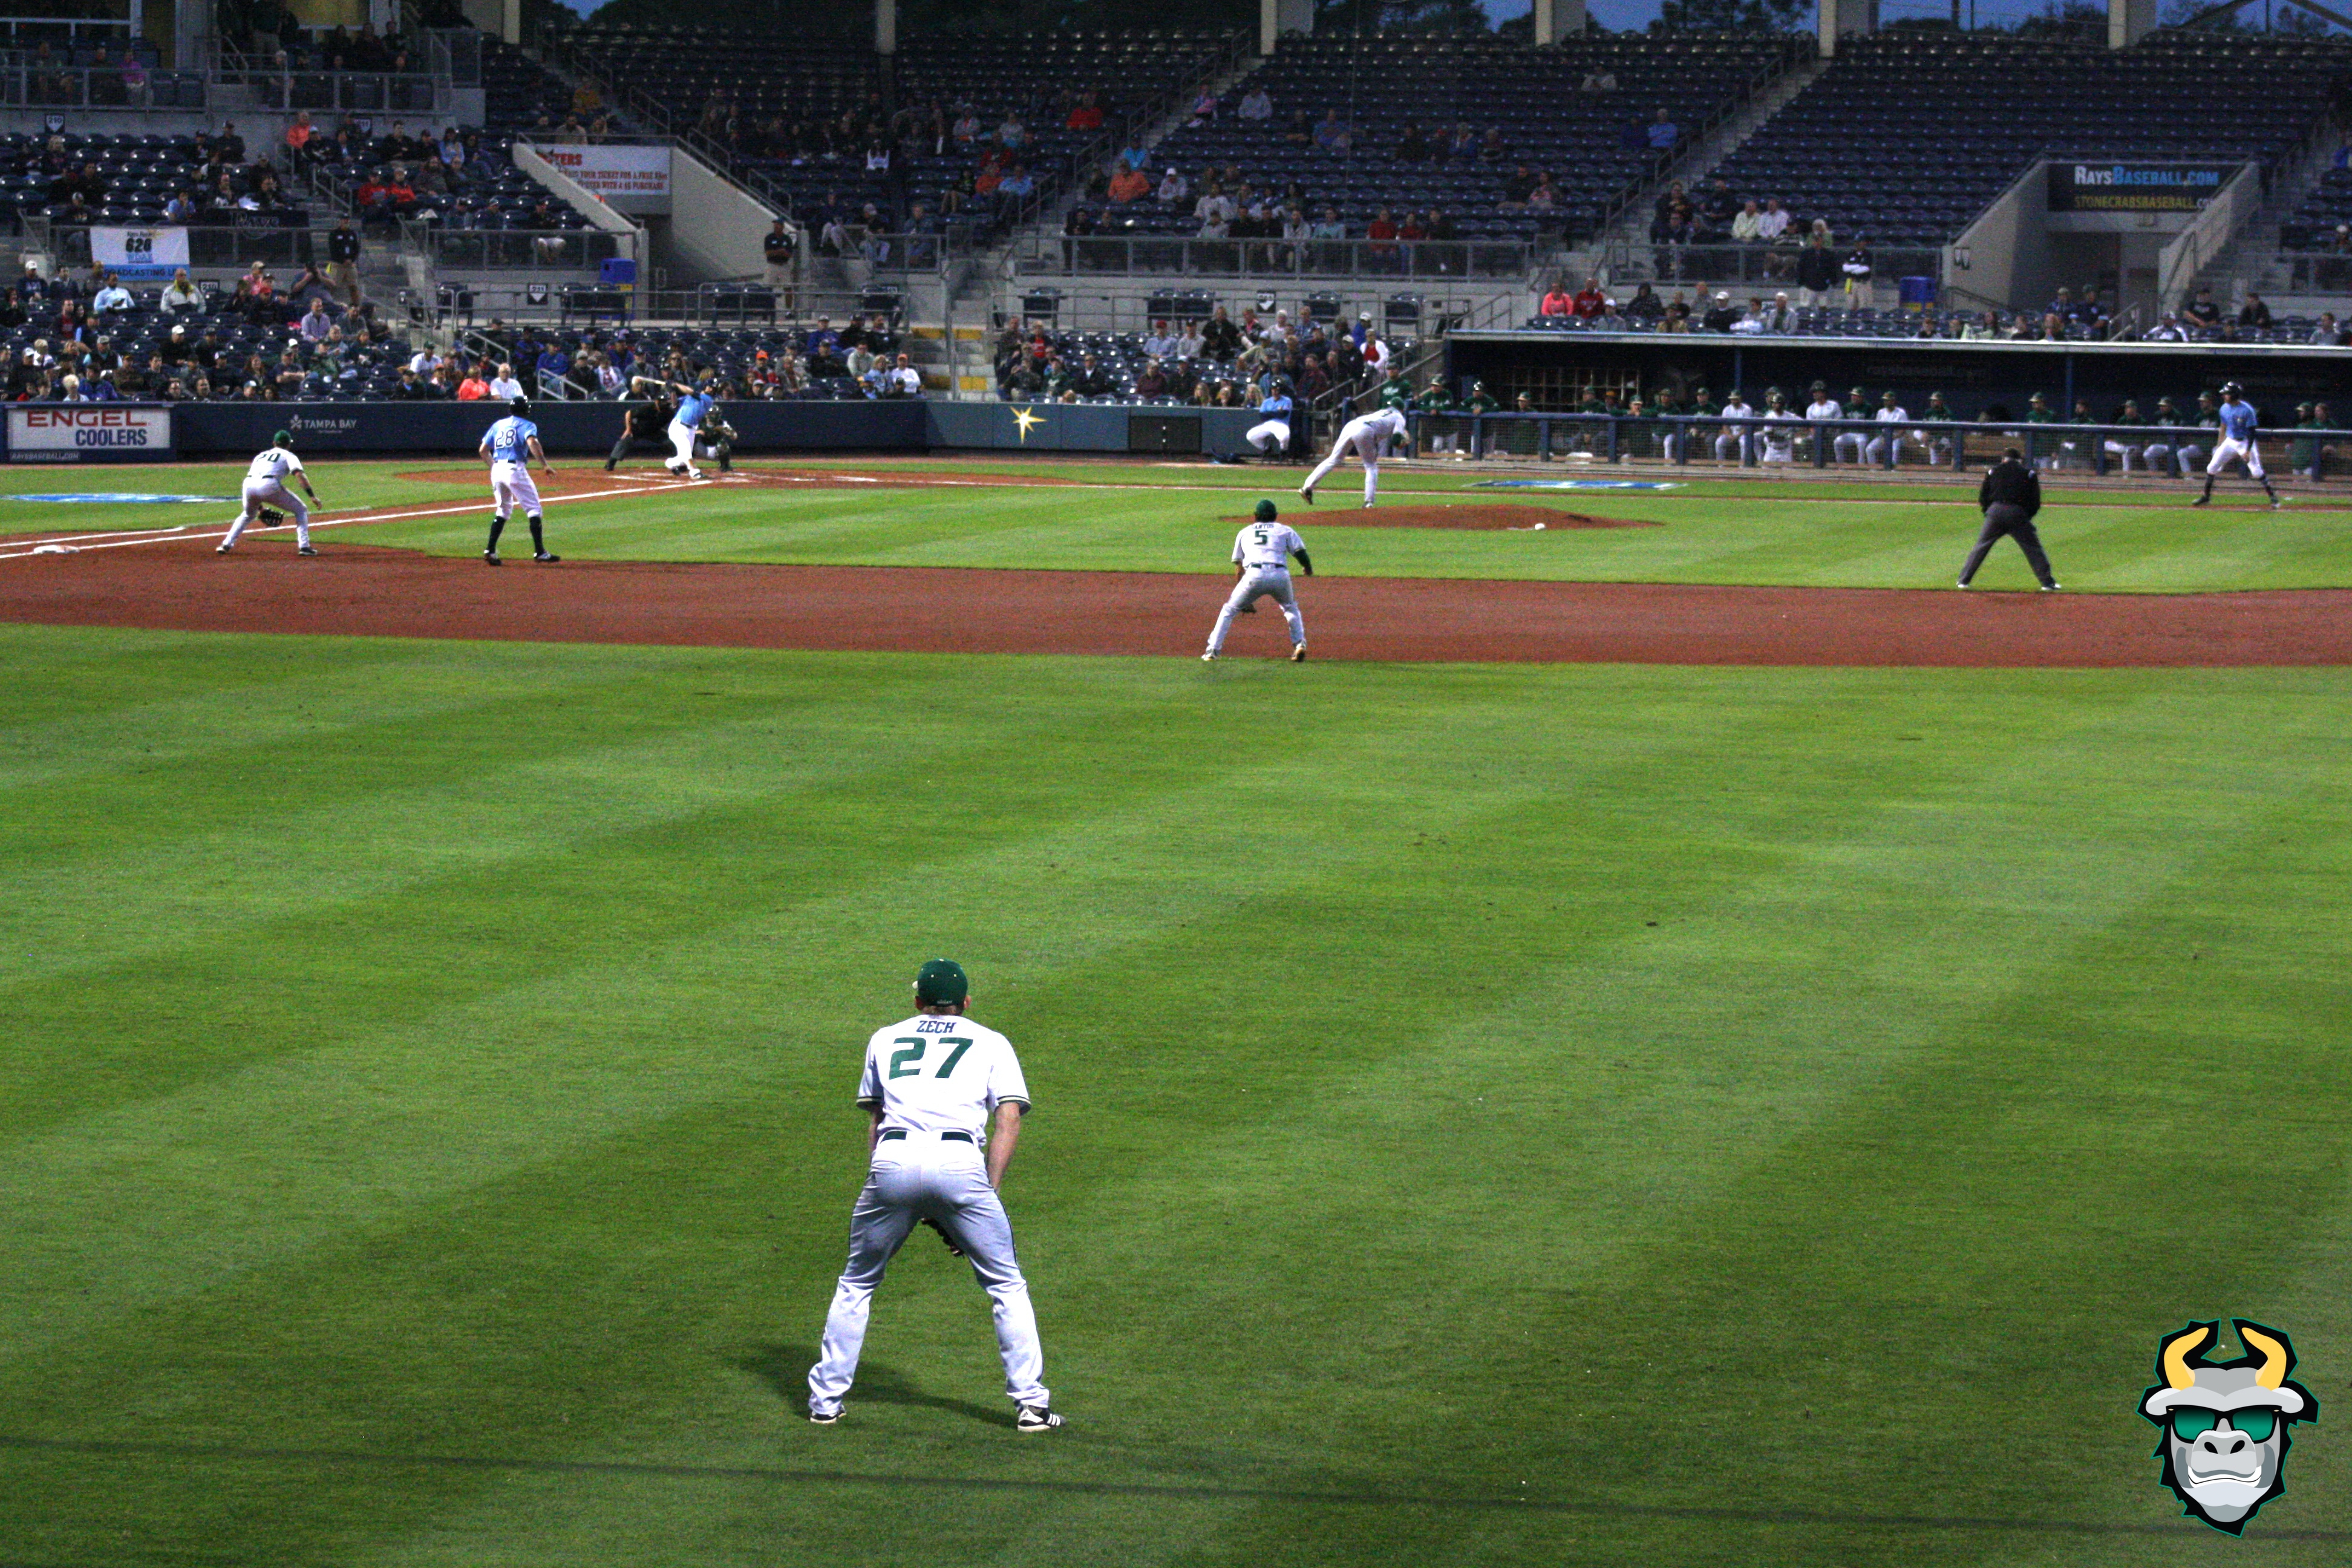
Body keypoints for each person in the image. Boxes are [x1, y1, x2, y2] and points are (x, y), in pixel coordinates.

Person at [805, 958, 1061, 1432]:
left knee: (857, 1283)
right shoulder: (990, 1041)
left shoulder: (885, 1038)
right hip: (961, 1163)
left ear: (917, 1001)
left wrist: (891, 1191)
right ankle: (1032, 1406)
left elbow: (877, 1120)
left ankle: (825, 1401)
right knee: (1006, 1285)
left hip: (893, 1161)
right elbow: (1008, 1117)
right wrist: (986, 1192)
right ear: (966, 1002)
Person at [1203, 499, 1311, 662]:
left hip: (1254, 575)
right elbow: (1300, 553)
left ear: (1255, 516)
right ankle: (1299, 645)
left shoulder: (1245, 532)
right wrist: (1307, 568)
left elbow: (1239, 567)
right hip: (1280, 575)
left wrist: (1245, 599)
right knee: (1290, 608)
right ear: (1275, 516)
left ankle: (1212, 651)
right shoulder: (1285, 530)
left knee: (1229, 610)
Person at [1958, 448, 2059, 591]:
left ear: (2003, 459)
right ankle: (2047, 583)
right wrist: (2025, 516)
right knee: (2033, 549)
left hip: (1995, 512)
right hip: (2017, 514)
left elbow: (1983, 496)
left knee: (1981, 547)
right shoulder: (2028, 474)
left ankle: (1963, 581)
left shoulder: (1993, 472)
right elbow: (2035, 501)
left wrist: (1989, 512)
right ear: (2020, 460)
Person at [215, 430, 323, 556]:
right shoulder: (289, 455)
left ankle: (226, 544)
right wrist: (312, 496)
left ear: (274, 443)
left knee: (248, 515)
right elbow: (299, 475)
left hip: (248, 485)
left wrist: (260, 508)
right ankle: (304, 547)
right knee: (301, 510)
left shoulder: (261, 456)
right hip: (269, 485)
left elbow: (255, 484)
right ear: (289, 444)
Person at [479, 395, 559, 564]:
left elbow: (483, 450)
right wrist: (544, 465)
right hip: (514, 469)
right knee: (534, 510)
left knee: (503, 510)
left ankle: (490, 551)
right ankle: (540, 552)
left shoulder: (498, 424)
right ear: (526, 410)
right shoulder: (527, 425)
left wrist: (494, 467)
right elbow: (533, 443)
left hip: (497, 469)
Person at [1299, 402, 1409, 508]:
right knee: (1371, 466)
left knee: (1333, 459)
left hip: (1352, 425)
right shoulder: (1399, 417)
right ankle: (1369, 502)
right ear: (1402, 409)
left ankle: (1307, 487)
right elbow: (1396, 441)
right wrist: (1403, 443)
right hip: (1365, 430)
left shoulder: (1382, 411)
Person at [2194, 381, 2282, 509]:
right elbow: (2223, 426)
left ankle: (2273, 498)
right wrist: (2220, 445)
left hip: (2245, 442)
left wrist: (2247, 451)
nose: (2224, 396)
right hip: (2230, 441)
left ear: (2234, 395)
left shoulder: (2247, 410)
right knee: (2211, 468)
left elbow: (2252, 432)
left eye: (2227, 394)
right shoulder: (2224, 408)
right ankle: (2206, 497)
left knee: (2256, 472)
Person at [1243, 379, 1293, 462]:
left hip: (1282, 424)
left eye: (1277, 390)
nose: (1275, 392)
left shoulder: (1287, 400)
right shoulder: (1267, 402)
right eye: (1273, 390)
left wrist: (1270, 413)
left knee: (1284, 437)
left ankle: (1283, 452)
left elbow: (1283, 414)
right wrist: (1277, 412)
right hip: (1268, 424)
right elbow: (1263, 416)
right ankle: (1267, 449)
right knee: (1250, 436)